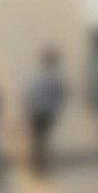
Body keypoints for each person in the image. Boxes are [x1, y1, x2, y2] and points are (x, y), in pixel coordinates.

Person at [25, 48, 66, 176]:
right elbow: (61, 95)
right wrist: (56, 108)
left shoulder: (37, 75)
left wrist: (27, 107)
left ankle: (36, 161)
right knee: (42, 138)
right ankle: (38, 162)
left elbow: (29, 93)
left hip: (35, 110)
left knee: (36, 137)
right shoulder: (57, 78)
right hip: (47, 112)